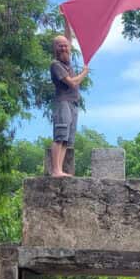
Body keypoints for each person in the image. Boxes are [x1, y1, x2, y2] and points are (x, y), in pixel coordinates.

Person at [49, 35, 88, 178]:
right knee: (60, 135)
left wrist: (66, 17)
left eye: (66, 45)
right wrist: (84, 73)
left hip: (73, 103)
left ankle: (59, 170)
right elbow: (72, 82)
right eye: (60, 45)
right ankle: (55, 170)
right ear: (55, 48)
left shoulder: (67, 62)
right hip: (62, 102)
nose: (64, 48)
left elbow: (69, 38)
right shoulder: (56, 65)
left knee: (66, 139)